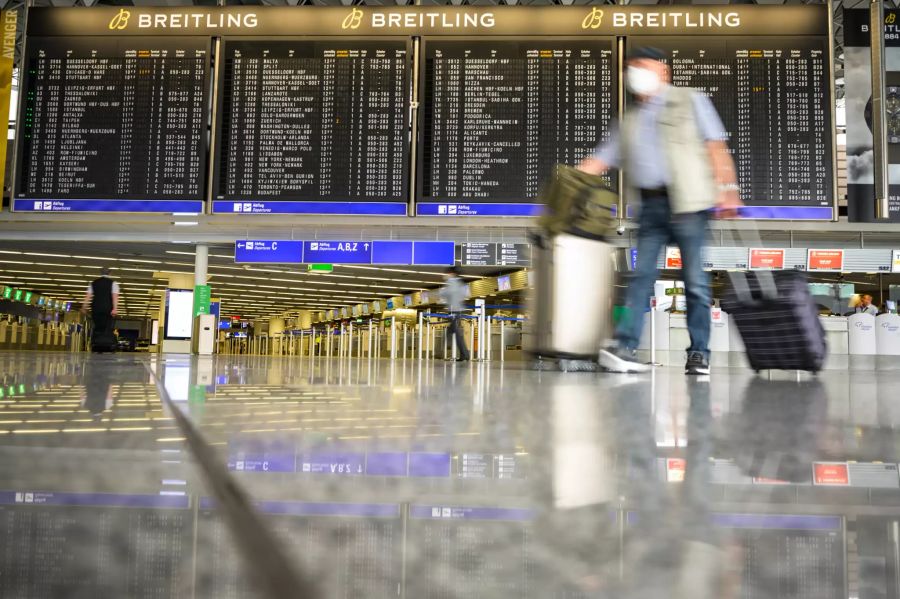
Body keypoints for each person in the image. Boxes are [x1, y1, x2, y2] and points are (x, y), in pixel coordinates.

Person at [578, 47, 741, 375]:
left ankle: (699, 353)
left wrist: (729, 191)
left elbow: (715, 146)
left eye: (640, 65)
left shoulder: (690, 99)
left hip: (689, 205)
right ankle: (625, 347)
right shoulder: (629, 120)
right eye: (629, 67)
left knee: (694, 282)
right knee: (640, 278)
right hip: (650, 207)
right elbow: (600, 159)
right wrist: (567, 185)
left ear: (662, 70)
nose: (633, 72)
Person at [82, 267, 120, 351]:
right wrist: (115, 309)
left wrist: (84, 307)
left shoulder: (93, 283)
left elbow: (88, 296)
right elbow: (115, 297)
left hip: (96, 309)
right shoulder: (113, 283)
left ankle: (96, 345)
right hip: (108, 310)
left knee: (98, 327)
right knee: (107, 328)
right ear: (110, 273)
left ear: (100, 273)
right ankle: (106, 345)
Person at [439, 266, 470, 361]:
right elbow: (466, 294)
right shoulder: (461, 283)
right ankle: (464, 355)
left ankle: (464, 354)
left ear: (451, 273)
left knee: (455, 334)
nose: (446, 275)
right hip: (457, 310)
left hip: (454, 311)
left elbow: (446, 293)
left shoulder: (452, 282)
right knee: (452, 333)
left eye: (447, 273)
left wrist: (439, 293)